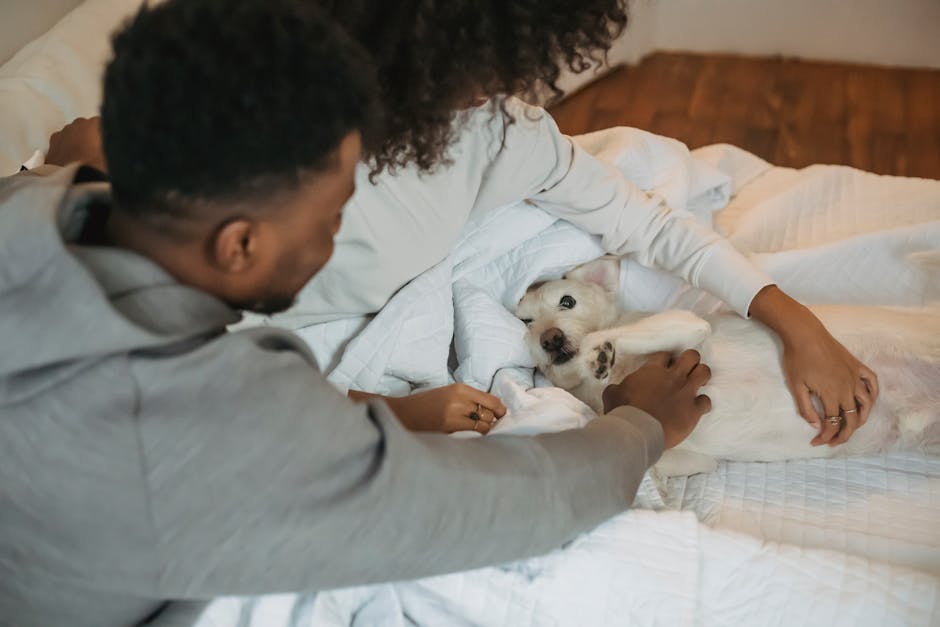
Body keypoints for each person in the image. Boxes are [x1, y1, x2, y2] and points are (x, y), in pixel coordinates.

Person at [0, 1, 711, 625]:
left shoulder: (37, 199)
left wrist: (56, 173)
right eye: (332, 216)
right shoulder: (210, 418)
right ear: (240, 243)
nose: (337, 237)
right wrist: (639, 424)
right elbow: (506, 501)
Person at [45, 1, 879, 447]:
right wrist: (393, 414)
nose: (511, 86)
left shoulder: (500, 132)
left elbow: (647, 223)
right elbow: (197, 378)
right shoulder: (255, 144)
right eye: (488, 66)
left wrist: (789, 314)